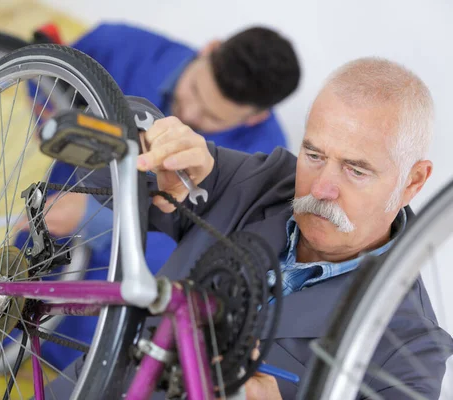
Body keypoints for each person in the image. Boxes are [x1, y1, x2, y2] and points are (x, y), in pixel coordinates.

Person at [73, 56, 453, 399]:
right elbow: (95, 177)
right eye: (314, 155)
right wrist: (149, 144)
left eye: (356, 170)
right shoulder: (263, 180)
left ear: (413, 182)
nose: (321, 189)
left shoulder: (411, 351)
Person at [24, 22, 301, 371]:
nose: (190, 113)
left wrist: (95, 215)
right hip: (44, 225)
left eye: (212, 117)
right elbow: (46, 80)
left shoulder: (262, 157)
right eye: (195, 91)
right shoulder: (117, 45)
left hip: (117, 296)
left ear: (255, 117)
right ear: (209, 47)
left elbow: (202, 246)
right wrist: (47, 113)